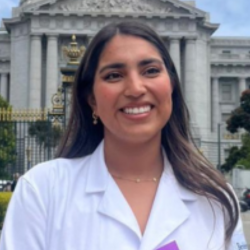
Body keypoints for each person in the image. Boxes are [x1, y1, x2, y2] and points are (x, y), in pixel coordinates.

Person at [0, 21, 248, 250]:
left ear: (171, 86)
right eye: (113, 75)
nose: (136, 89)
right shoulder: (41, 192)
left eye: (150, 70)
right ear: (92, 100)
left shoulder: (217, 198)